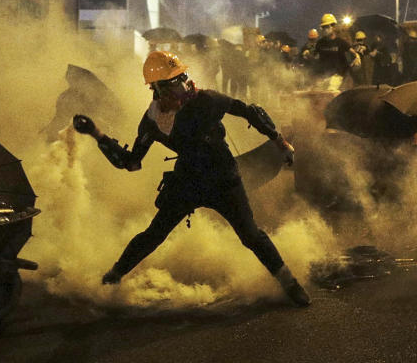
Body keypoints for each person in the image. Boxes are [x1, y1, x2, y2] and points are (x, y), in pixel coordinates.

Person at [73, 51, 311, 307]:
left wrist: (281, 143)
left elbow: (248, 111)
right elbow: (131, 163)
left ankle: (290, 283)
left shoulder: (207, 100)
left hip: (223, 178)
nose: (184, 86)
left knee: (251, 235)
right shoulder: (153, 120)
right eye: (174, 83)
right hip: (188, 181)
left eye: (183, 78)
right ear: (158, 90)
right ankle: (112, 278)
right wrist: (97, 134)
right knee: (153, 235)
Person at [313, 13, 360, 91]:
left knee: (330, 93)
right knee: (317, 93)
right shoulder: (320, 43)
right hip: (324, 76)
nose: (325, 29)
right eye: (323, 27)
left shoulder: (340, 42)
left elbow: (353, 52)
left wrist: (357, 57)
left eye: (327, 27)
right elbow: (315, 58)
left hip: (337, 76)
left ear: (333, 26)